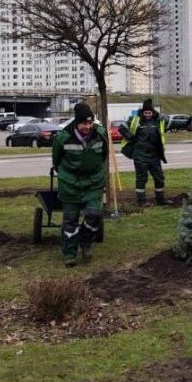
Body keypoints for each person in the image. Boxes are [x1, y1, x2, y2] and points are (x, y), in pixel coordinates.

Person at [51, 102, 109, 267]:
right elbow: (56, 160)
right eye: (84, 123)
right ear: (77, 123)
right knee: (70, 220)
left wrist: (96, 172)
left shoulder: (100, 134)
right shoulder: (63, 137)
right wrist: (66, 175)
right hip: (70, 184)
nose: (88, 126)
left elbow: (103, 154)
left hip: (93, 183)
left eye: (90, 123)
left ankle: (85, 241)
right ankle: (70, 253)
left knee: (94, 214)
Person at [120, 98, 167, 206]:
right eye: (145, 112)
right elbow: (122, 128)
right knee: (141, 178)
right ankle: (141, 201)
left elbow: (172, 123)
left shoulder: (158, 120)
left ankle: (160, 199)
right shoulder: (135, 119)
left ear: (152, 112)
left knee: (159, 177)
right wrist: (130, 137)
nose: (147, 115)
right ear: (143, 112)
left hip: (154, 155)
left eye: (149, 112)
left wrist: (187, 122)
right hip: (140, 155)